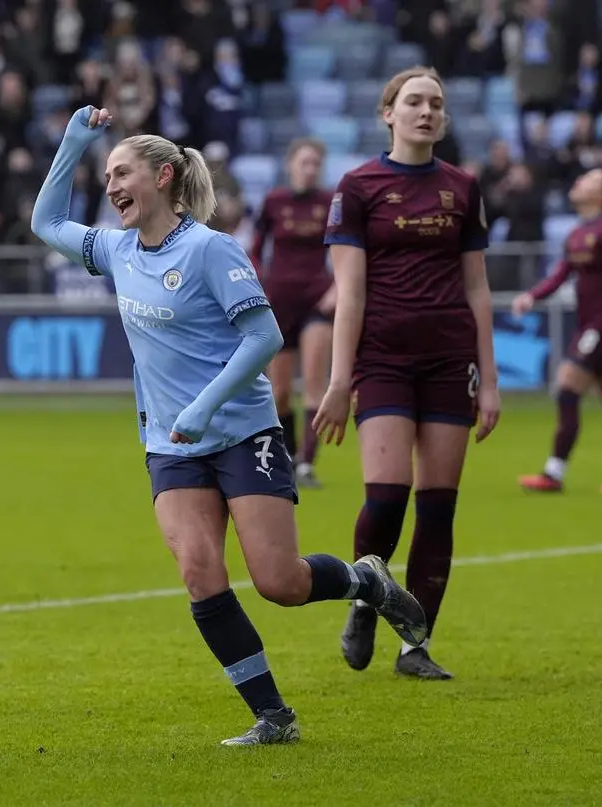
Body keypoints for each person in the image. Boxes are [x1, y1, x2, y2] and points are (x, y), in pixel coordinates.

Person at [31, 105, 429, 746]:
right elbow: (45, 222)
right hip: (170, 444)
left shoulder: (211, 250)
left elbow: (264, 335)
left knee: (280, 582)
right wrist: (74, 143)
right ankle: (273, 717)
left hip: (242, 432)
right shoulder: (117, 249)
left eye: (121, 172)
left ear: (163, 177)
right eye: (105, 176)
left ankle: (365, 581)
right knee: (199, 572)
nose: (111, 187)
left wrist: (205, 406)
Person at [314, 66, 502, 681]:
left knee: (438, 507)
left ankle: (414, 646)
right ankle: (369, 594)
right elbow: (352, 295)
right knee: (388, 494)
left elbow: (477, 288)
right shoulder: (359, 186)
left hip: (451, 361)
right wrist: (341, 382)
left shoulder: (463, 187)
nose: (427, 112)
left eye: (436, 104)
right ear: (388, 113)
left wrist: (491, 379)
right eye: (414, 102)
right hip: (384, 360)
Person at [512, 168, 602, 494]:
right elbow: (561, 274)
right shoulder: (576, 232)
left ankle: (553, 473)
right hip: (589, 325)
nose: (579, 181)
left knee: (567, 386)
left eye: (589, 179)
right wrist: (532, 296)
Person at [250, 138, 336, 489]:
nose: (310, 168)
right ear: (291, 165)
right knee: (280, 392)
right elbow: (255, 251)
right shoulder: (274, 202)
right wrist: (256, 285)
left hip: (318, 299)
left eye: (316, 163)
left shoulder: (330, 203)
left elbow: (349, 251)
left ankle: (306, 463)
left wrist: (339, 287)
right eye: (305, 162)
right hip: (280, 301)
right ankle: (287, 455)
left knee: (315, 383)